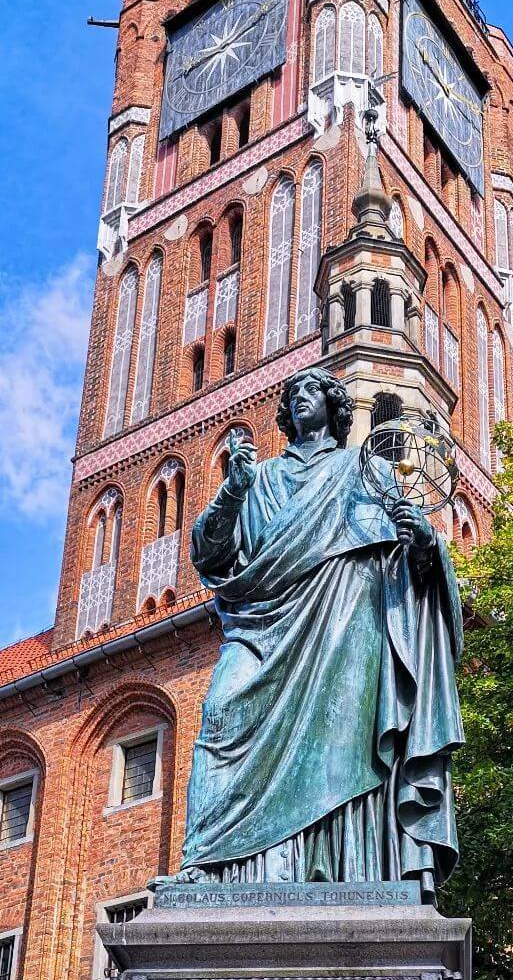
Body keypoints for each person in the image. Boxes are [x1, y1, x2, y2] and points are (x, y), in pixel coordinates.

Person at [174, 365, 462, 899]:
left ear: (333, 405)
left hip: (346, 624)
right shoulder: (258, 480)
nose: (302, 398)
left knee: (343, 745)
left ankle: (346, 867)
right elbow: (210, 555)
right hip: (261, 625)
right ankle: (207, 859)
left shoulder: (363, 467)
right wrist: (231, 494)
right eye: (294, 393)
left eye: (312, 390)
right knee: (220, 713)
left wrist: (424, 542)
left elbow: (404, 557)